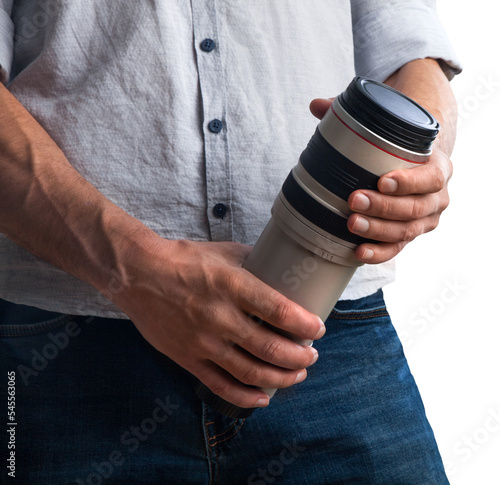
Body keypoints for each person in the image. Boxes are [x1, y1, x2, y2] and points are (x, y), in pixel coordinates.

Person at [0, 1, 461, 483]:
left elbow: (412, 55)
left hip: (334, 334)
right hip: (63, 345)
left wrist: (424, 166)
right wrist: (133, 269)